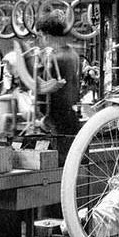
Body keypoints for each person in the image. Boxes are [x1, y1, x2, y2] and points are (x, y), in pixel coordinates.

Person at [33, 9, 81, 141]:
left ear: (47, 36)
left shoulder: (56, 58)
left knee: (59, 159)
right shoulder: (72, 53)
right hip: (70, 116)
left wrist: (45, 118)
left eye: (40, 36)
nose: (40, 41)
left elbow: (47, 92)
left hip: (57, 121)